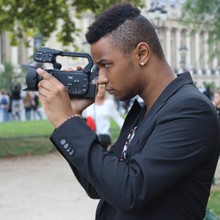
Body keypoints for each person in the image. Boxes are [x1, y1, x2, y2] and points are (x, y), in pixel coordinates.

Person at [36, 3, 220, 220]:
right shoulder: (144, 110)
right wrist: (73, 117)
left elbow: (129, 191)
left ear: (141, 53)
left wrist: (67, 122)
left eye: (106, 65)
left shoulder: (191, 110)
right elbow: (99, 186)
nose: (101, 78)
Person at [83, 84, 124, 149]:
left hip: (104, 137)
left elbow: (118, 119)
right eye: (98, 88)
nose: (99, 91)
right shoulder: (87, 104)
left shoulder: (109, 104)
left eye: (102, 88)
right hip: (90, 136)